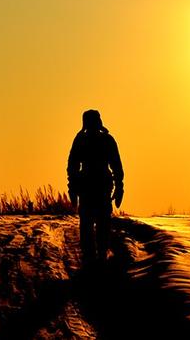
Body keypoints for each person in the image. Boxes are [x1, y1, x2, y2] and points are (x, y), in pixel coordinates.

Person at [67, 109, 124, 265]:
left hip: (99, 187)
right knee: (89, 223)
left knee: (100, 222)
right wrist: (72, 188)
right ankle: (92, 258)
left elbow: (116, 166)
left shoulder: (103, 140)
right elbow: (72, 167)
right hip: (90, 187)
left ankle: (99, 255)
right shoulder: (83, 140)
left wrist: (120, 187)